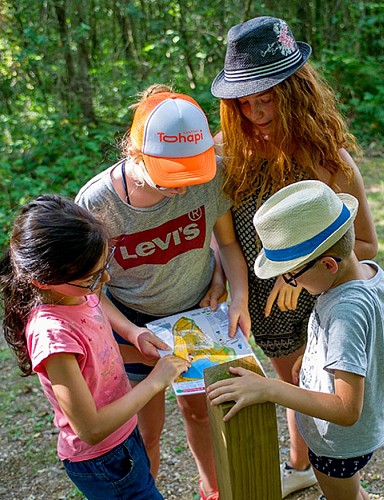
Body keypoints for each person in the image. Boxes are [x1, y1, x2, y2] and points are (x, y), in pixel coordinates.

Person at [211, 16, 378, 497]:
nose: (257, 114)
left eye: (268, 99)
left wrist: (296, 273)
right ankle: (300, 464)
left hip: (319, 296)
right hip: (264, 305)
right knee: (290, 380)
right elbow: (226, 239)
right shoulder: (227, 154)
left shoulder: (328, 158)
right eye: (244, 102)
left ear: (295, 91)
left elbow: (364, 247)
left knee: (317, 391)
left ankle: (327, 470)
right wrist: (222, 281)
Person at [76, 85, 250, 500]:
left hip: (198, 314)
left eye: (192, 176)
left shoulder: (212, 177)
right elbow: (90, 290)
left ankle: (214, 492)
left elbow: (226, 242)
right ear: (136, 153)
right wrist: (132, 333)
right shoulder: (96, 205)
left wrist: (235, 293)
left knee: (200, 412)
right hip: (133, 323)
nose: (182, 189)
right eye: (172, 177)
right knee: (143, 429)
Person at [208, 180, 384, 500]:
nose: (290, 282)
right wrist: (314, 357)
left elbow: (345, 409)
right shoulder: (371, 273)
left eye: (292, 275)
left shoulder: (344, 311)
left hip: (337, 445)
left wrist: (269, 388)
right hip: (359, 435)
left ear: (327, 264)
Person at [0, 194, 190, 499]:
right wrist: (155, 381)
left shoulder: (79, 295)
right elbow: (90, 428)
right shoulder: (52, 336)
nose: (105, 279)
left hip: (124, 435)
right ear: (44, 280)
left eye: (104, 266)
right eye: (91, 276)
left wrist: (140, 353)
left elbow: (98, 355)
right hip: (104, 460)